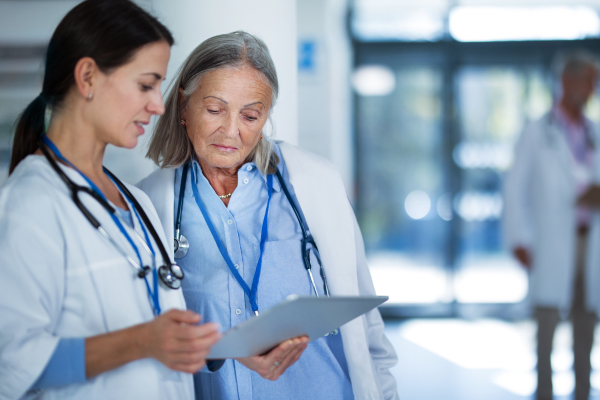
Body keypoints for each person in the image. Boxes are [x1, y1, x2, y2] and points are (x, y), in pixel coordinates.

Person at [138, 31, 398, 400]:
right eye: (214, 110)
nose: (231, 131)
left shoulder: (315, 181)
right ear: (183, 107)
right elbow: (145, 343)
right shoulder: (150, 201)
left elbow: (369, 335)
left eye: (250, 115)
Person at [0, 1, 221, 399]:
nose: (159, 105)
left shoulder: (136, 201)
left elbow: (156, 328)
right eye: (145, 85)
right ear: (87, 77)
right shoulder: (31, 203)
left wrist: (239, 352)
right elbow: (11, 364)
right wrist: (140, 342)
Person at [504, 50, 600, 400]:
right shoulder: (537, 131)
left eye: (594, 82)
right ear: (567, 82)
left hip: (589, 240)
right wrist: (519, 237)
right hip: (550, 240)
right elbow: (515, 188)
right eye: (588, 81)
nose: (592, 89)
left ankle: (582, 392)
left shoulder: (594, 131)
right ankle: (543, 391)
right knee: (546, 323)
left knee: (586, 320)